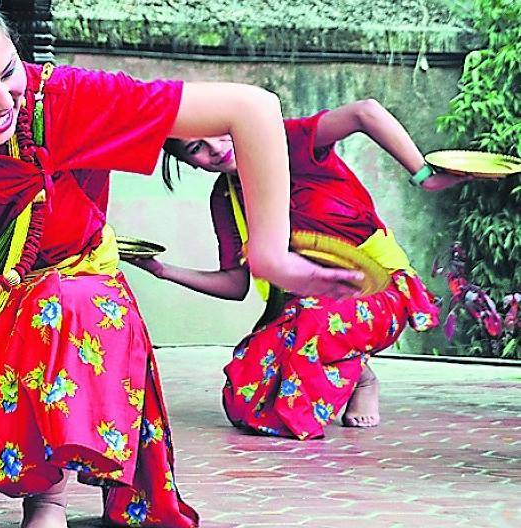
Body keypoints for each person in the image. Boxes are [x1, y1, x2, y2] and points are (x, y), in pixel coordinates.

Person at [0, 1, 362, 525]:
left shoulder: (60, 98)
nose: (4, 103)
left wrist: (269, 254)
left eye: (8, 72)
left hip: (70, 296)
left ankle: (49, 499)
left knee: (70, 303)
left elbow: (252, 108)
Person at [129, 99, 468, 439]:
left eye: (220, 132)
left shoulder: (286, 142)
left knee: (314, 322)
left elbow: (364, 111)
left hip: (378, 289)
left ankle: (362, 379)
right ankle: (350, 371)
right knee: (245, 398)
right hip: (300, 307)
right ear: (189, 162)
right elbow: (235, 284)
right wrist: (161, 270)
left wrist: (424, 176)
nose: (216, 149)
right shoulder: (225, 197)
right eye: (197, 148)